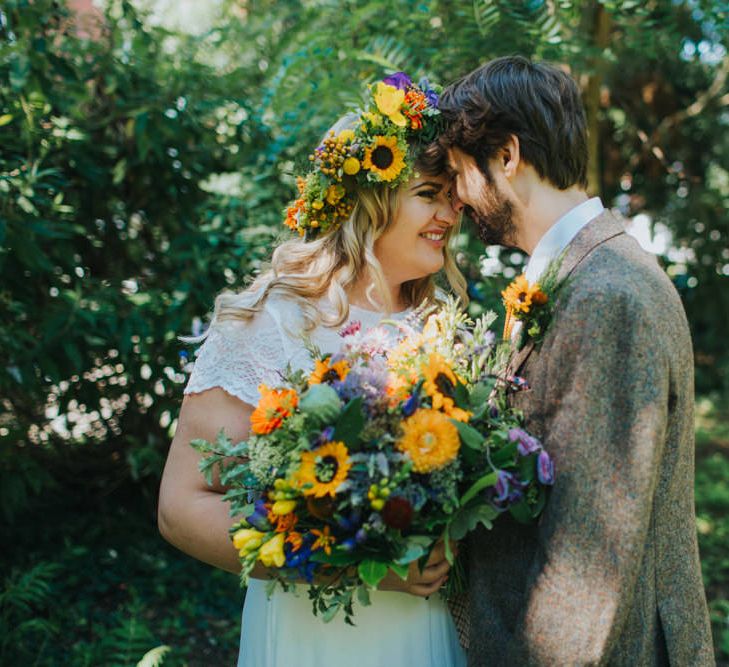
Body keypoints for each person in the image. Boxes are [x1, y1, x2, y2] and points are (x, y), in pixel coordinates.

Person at [158, 73, 468, 667]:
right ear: (371, 200)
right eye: (431, 193)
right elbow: (181, 506)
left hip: (428, 629)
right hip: (312, 634)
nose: (451, 214)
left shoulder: (441, 327)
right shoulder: (270, 320)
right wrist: (356, 563)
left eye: (452, 197)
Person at [436, 56, 714, 665]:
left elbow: (588, 554)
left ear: (507, 157)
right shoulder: (584, 274)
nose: (457, 197)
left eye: (460, 172)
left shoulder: (605, 295)